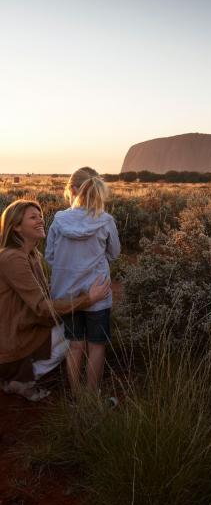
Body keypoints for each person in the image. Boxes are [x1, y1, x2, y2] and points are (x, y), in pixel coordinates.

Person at [0, 199, 110, 401]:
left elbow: (44, 295)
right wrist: (88, 298)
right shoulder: (12, 258)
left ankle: (21, 376)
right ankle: (22, 378)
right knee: (73, 333)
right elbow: (43, 307)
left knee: (73, 323)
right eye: (33, 217)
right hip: (12, 340)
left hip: (25, 329)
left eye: (40, 216)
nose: (40, 220)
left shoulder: (31, 255)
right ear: (16, 227)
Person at [45, 167, 121, 395]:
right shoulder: (105, 220)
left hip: (68, 295)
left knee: (75, 345)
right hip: (98, 293)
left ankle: (76, 395)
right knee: (96, 346)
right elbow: (114, 253)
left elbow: (50, 256)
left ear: (74, 189)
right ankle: (91, 396)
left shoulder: (58, 220)